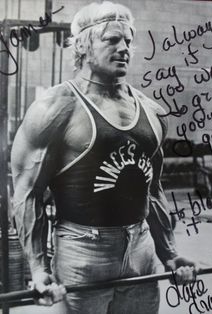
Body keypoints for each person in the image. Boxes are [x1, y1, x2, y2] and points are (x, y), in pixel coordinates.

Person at [11, 2, 196, 313]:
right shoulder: (55, 109)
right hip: (83, 252)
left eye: (128, 40)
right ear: (84, 45)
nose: (124, 48)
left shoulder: (152, 112)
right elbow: (28, 194)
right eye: (112, 39)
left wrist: (170, 253)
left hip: (142, 250)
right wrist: (40, 270)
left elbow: (152, 190)